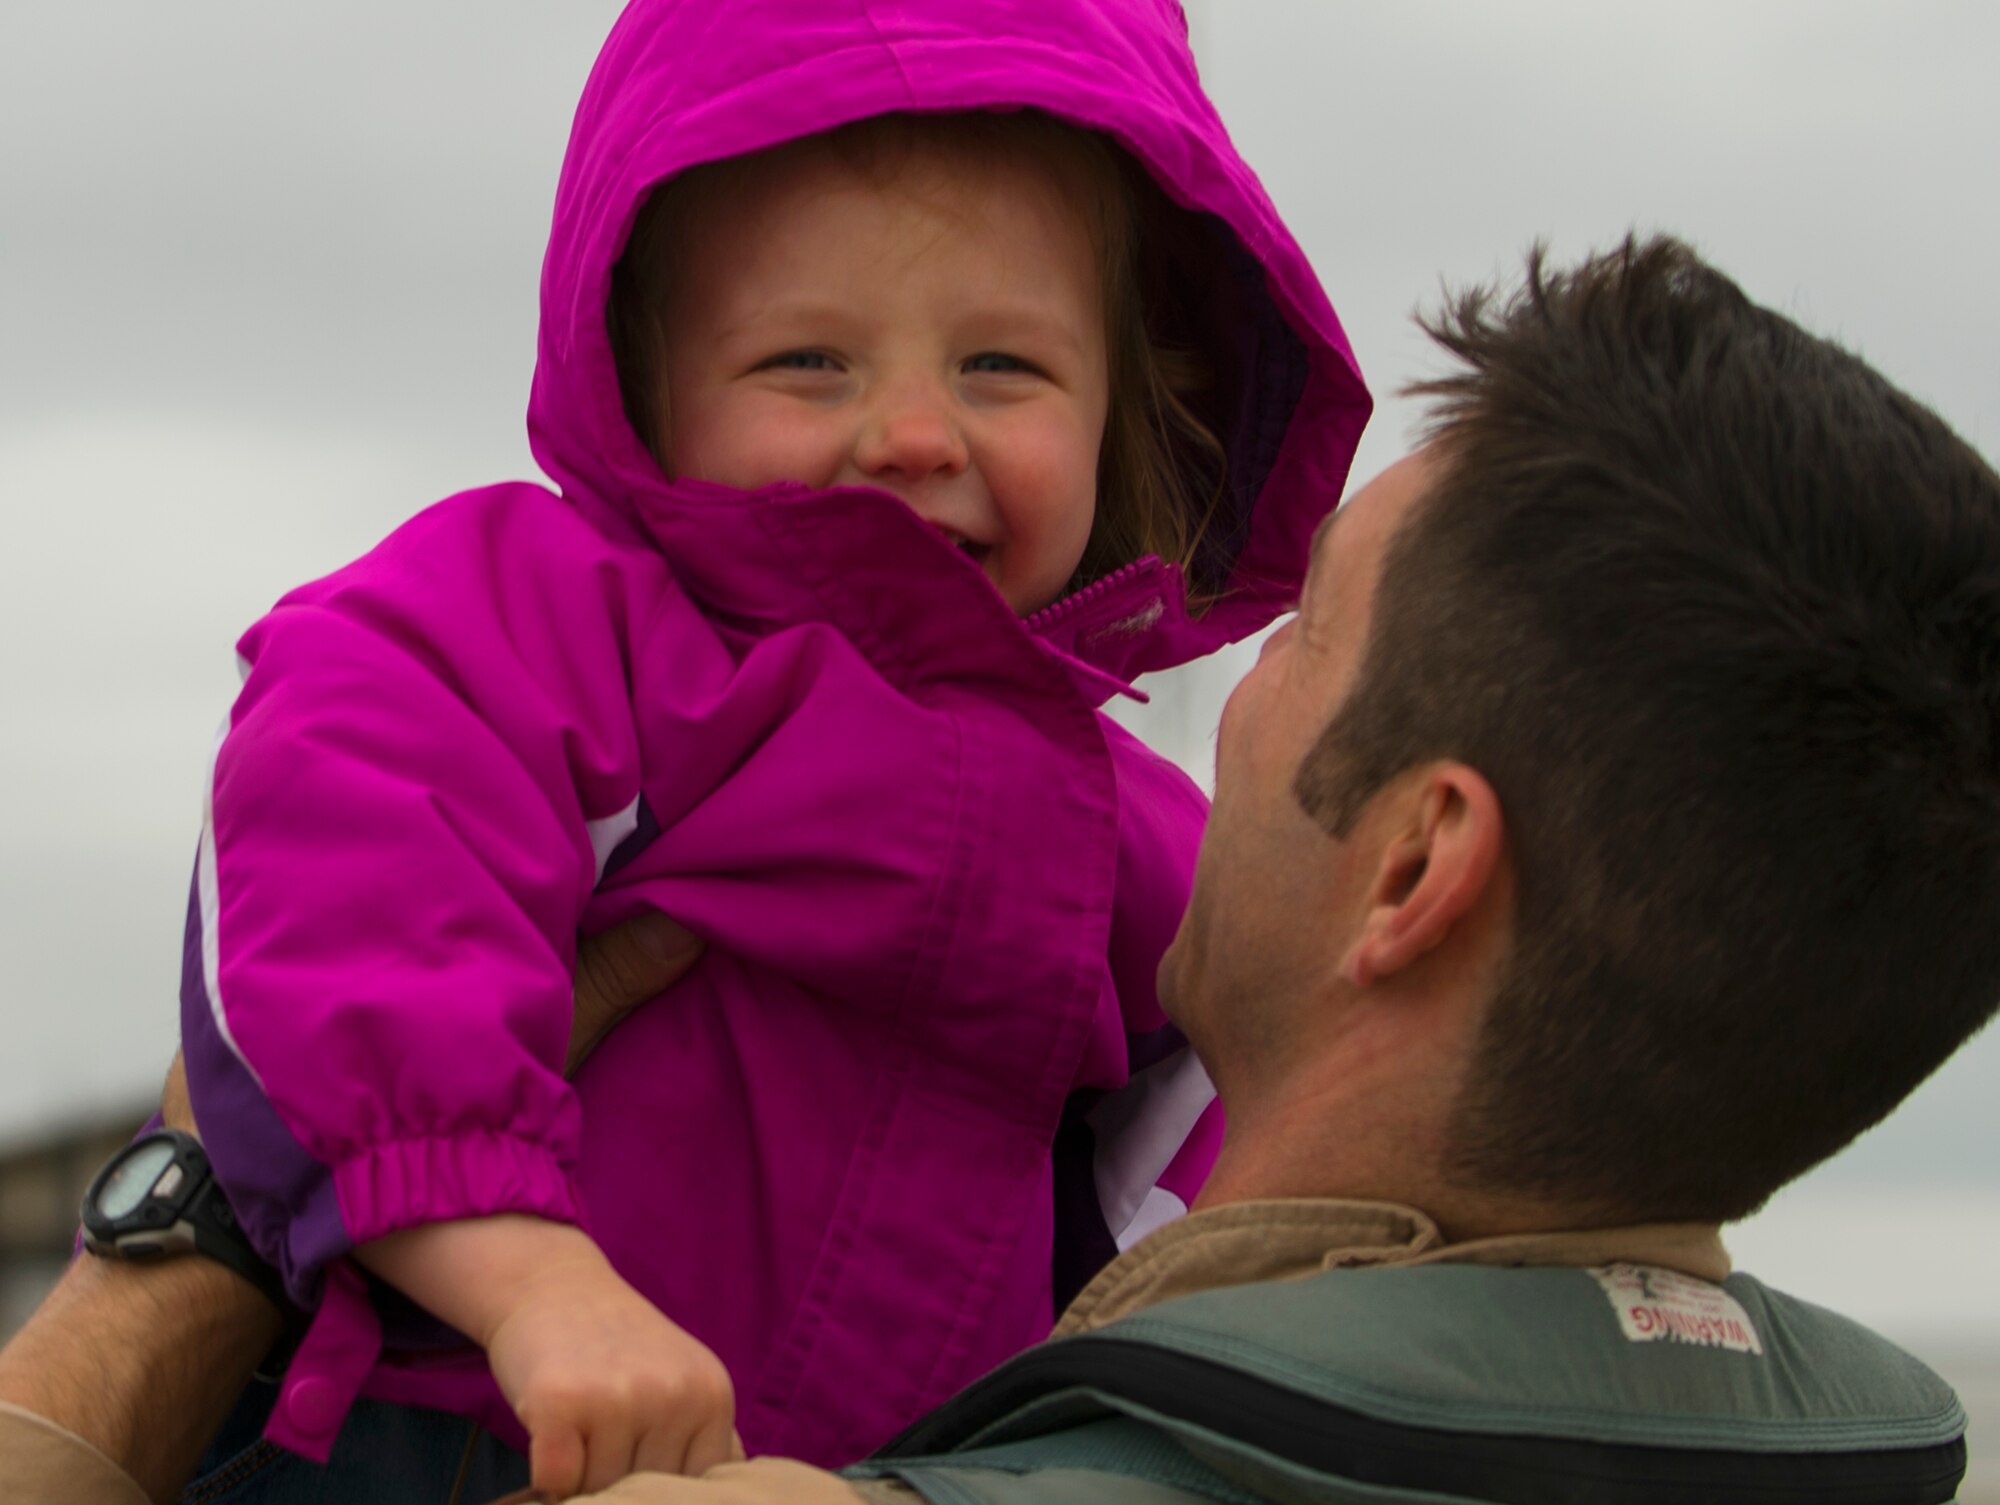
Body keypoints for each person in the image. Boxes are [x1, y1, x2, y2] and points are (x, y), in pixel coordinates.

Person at [8, 234, 1993, 1504]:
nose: (1216, 700)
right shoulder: (1857, 1448)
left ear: (1412, 872)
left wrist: (187, 1241)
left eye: (1299, 641)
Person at [166, 0, 1368, 1499]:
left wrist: (1160, 1376)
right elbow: (344, 847)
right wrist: (534, 1281)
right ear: (646, 388)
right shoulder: (565, 628)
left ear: (1127, 400)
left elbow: (1249, 1095)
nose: (915, 434)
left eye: (1001, 365)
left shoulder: (1139, 832)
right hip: (465, 1429)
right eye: (810, 361)